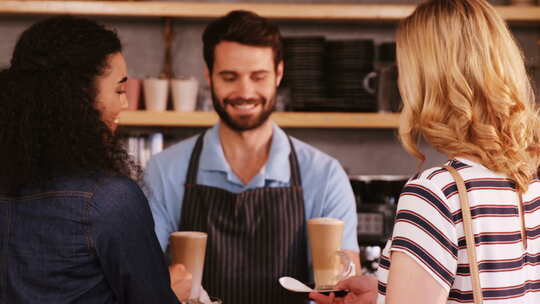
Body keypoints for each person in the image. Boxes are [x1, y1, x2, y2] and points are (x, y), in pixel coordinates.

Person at [310, 0, 540, 303]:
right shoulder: (528, 181)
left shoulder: (437, 193)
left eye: (404, 68)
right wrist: (382, 295)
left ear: (427, 81)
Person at [144, 10, 360, 304]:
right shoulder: (164, 171)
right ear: (209, 76)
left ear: (279, 74)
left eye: (258, 77)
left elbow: (344, 283)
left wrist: (343, 294)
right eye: (229, 77)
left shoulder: (325, 175)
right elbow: (143, 279)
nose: (245, 92)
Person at [0, 16, 192, 304]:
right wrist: (170, 291)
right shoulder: (109, 200)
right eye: (119, 90)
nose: (124, 104)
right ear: (78, 99)